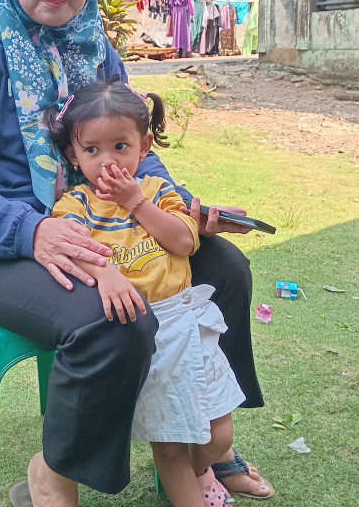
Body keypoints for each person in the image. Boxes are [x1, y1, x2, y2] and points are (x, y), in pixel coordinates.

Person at [0, 0, 270, 507]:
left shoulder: (93, 46)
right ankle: (52, 473)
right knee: (115, 319)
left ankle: (202, 444)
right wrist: (30, 231)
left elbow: (131, 147)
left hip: (97, 225)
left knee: (224, 268)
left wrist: (177, 205)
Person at [43, 80, 247, 506]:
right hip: (149, 336)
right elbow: (72, 248)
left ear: (144, 146)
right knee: (169, 447)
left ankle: (201, 468)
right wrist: (103, 272)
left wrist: (136, 203)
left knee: (220, 434)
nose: (108, 161)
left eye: (120, 146)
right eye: (92, 150)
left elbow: (184, 242)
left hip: (190, 327)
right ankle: (186, 483)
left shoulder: (158, 191)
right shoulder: (76, 205)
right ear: (73, 156)